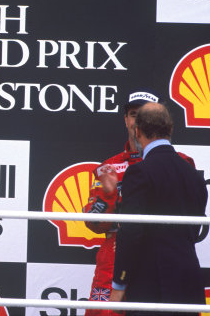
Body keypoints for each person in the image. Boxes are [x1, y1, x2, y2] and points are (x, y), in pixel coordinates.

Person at [82, 90, 195, 315]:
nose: (138, 122)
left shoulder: (182, 163)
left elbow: (190, 219)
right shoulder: (109, 168)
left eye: (144, 115)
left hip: (161, 259)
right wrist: (109, 194)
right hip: (114, 260)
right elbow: (94, 224)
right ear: (126, 120)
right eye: (134, 114)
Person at [109, 102, 207, 315]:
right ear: (170, 129)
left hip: (152, 286)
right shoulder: (194, 176)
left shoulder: (138, 173)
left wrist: (119, 284)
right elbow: (194, 229)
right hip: (189, 284)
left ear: (137, 131)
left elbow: (130, 231)